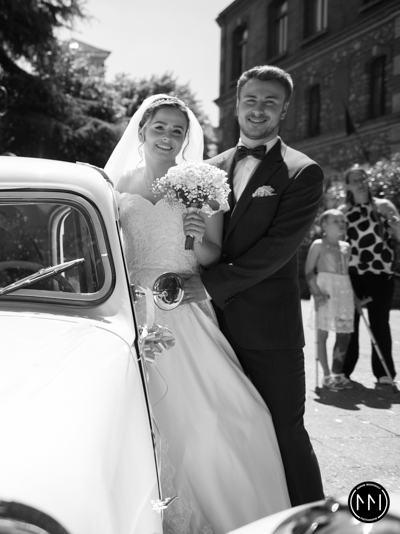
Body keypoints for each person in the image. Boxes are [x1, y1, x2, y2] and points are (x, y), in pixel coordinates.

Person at [105, 94, 290, 534]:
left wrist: (198, 235)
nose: (167, 136)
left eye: (177, 130)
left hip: (184, 303)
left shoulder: (201, 182)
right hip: (132, 308)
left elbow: (211, 256)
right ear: (142, 129)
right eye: (160, 127)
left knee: (226, 414)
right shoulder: (113, 185)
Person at [182, 65, 325, 506]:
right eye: (251, 100)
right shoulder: (208, 170)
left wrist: (209, 285)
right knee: (227, 430)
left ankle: (312, 520)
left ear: (284, 110)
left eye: (269, 101)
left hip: (269, 333)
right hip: (209, 329)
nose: (258, 109)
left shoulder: (302, 172)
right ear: (237, 105)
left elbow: (277, 251)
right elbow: (197, 242)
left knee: (285, 431)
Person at [339, 166, 399, 385]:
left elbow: (398, 235)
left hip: (380, 273)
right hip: (351, 275)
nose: (360, 183)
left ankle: (384, 373)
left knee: (380, 323)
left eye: (363, 179)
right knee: (349, 325)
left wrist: (396, 227)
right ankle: (343, 371)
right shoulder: (343, 212)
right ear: (347, 186)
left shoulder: (383, 206)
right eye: (355, 180)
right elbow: (336, 244)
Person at [305, 209, 357, 390]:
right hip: (325, 290)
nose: (342, 224)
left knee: (345, 334)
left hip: (344, 291)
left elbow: (346, 274)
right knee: (323, 334)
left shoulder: (346, 247)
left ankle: (337, 373)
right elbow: (308, 271)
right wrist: (316, 292)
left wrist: (354, 297)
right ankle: (326, 375)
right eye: (336, 221)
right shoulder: (318, 244)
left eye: (343, 221)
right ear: (324, 225)